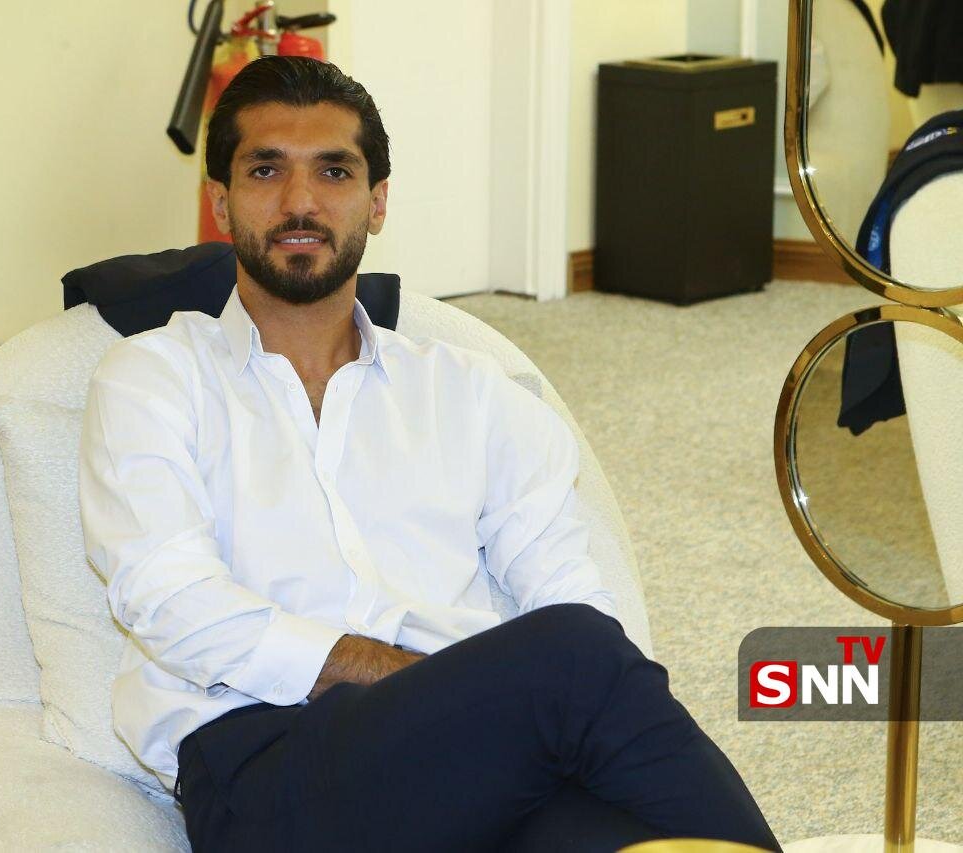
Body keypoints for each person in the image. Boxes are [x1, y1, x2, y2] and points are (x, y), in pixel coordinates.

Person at [78, 55, 780, 853]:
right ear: (220, 201)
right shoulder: (153, 378)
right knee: (576, 653)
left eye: (334, 171)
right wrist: (437, 680)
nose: (300, 201)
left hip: (470, 760)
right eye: (266, 170)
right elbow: (169, 599)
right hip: (269, 774)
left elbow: (567, 584)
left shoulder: (471, 390)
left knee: (634, 836)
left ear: (377, 202)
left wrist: (505, 703)